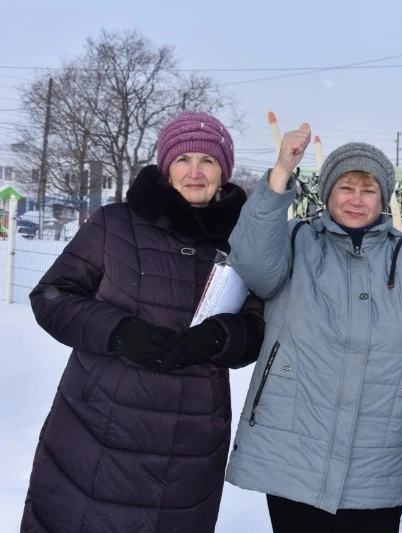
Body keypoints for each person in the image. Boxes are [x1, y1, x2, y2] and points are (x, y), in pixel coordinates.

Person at [21, 111, 265, 533]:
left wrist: (219, 338)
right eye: (183, 159)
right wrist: (119, 332)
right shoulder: (113, 224)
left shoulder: (241, 242)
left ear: (222, 172)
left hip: (189, 440)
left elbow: (259, 325)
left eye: (207, 161)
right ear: (165, 166)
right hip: (96, 428)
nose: (194, 171)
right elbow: (51, 297)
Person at [224, 123, 402, 533]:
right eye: (346, 187)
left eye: (369, 189)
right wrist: (282, 169)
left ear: (382, 197)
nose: (357, 199)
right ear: (328, 193)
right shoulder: (296, 239)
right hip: (294, 448)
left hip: (379, 457)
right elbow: (250, 263)